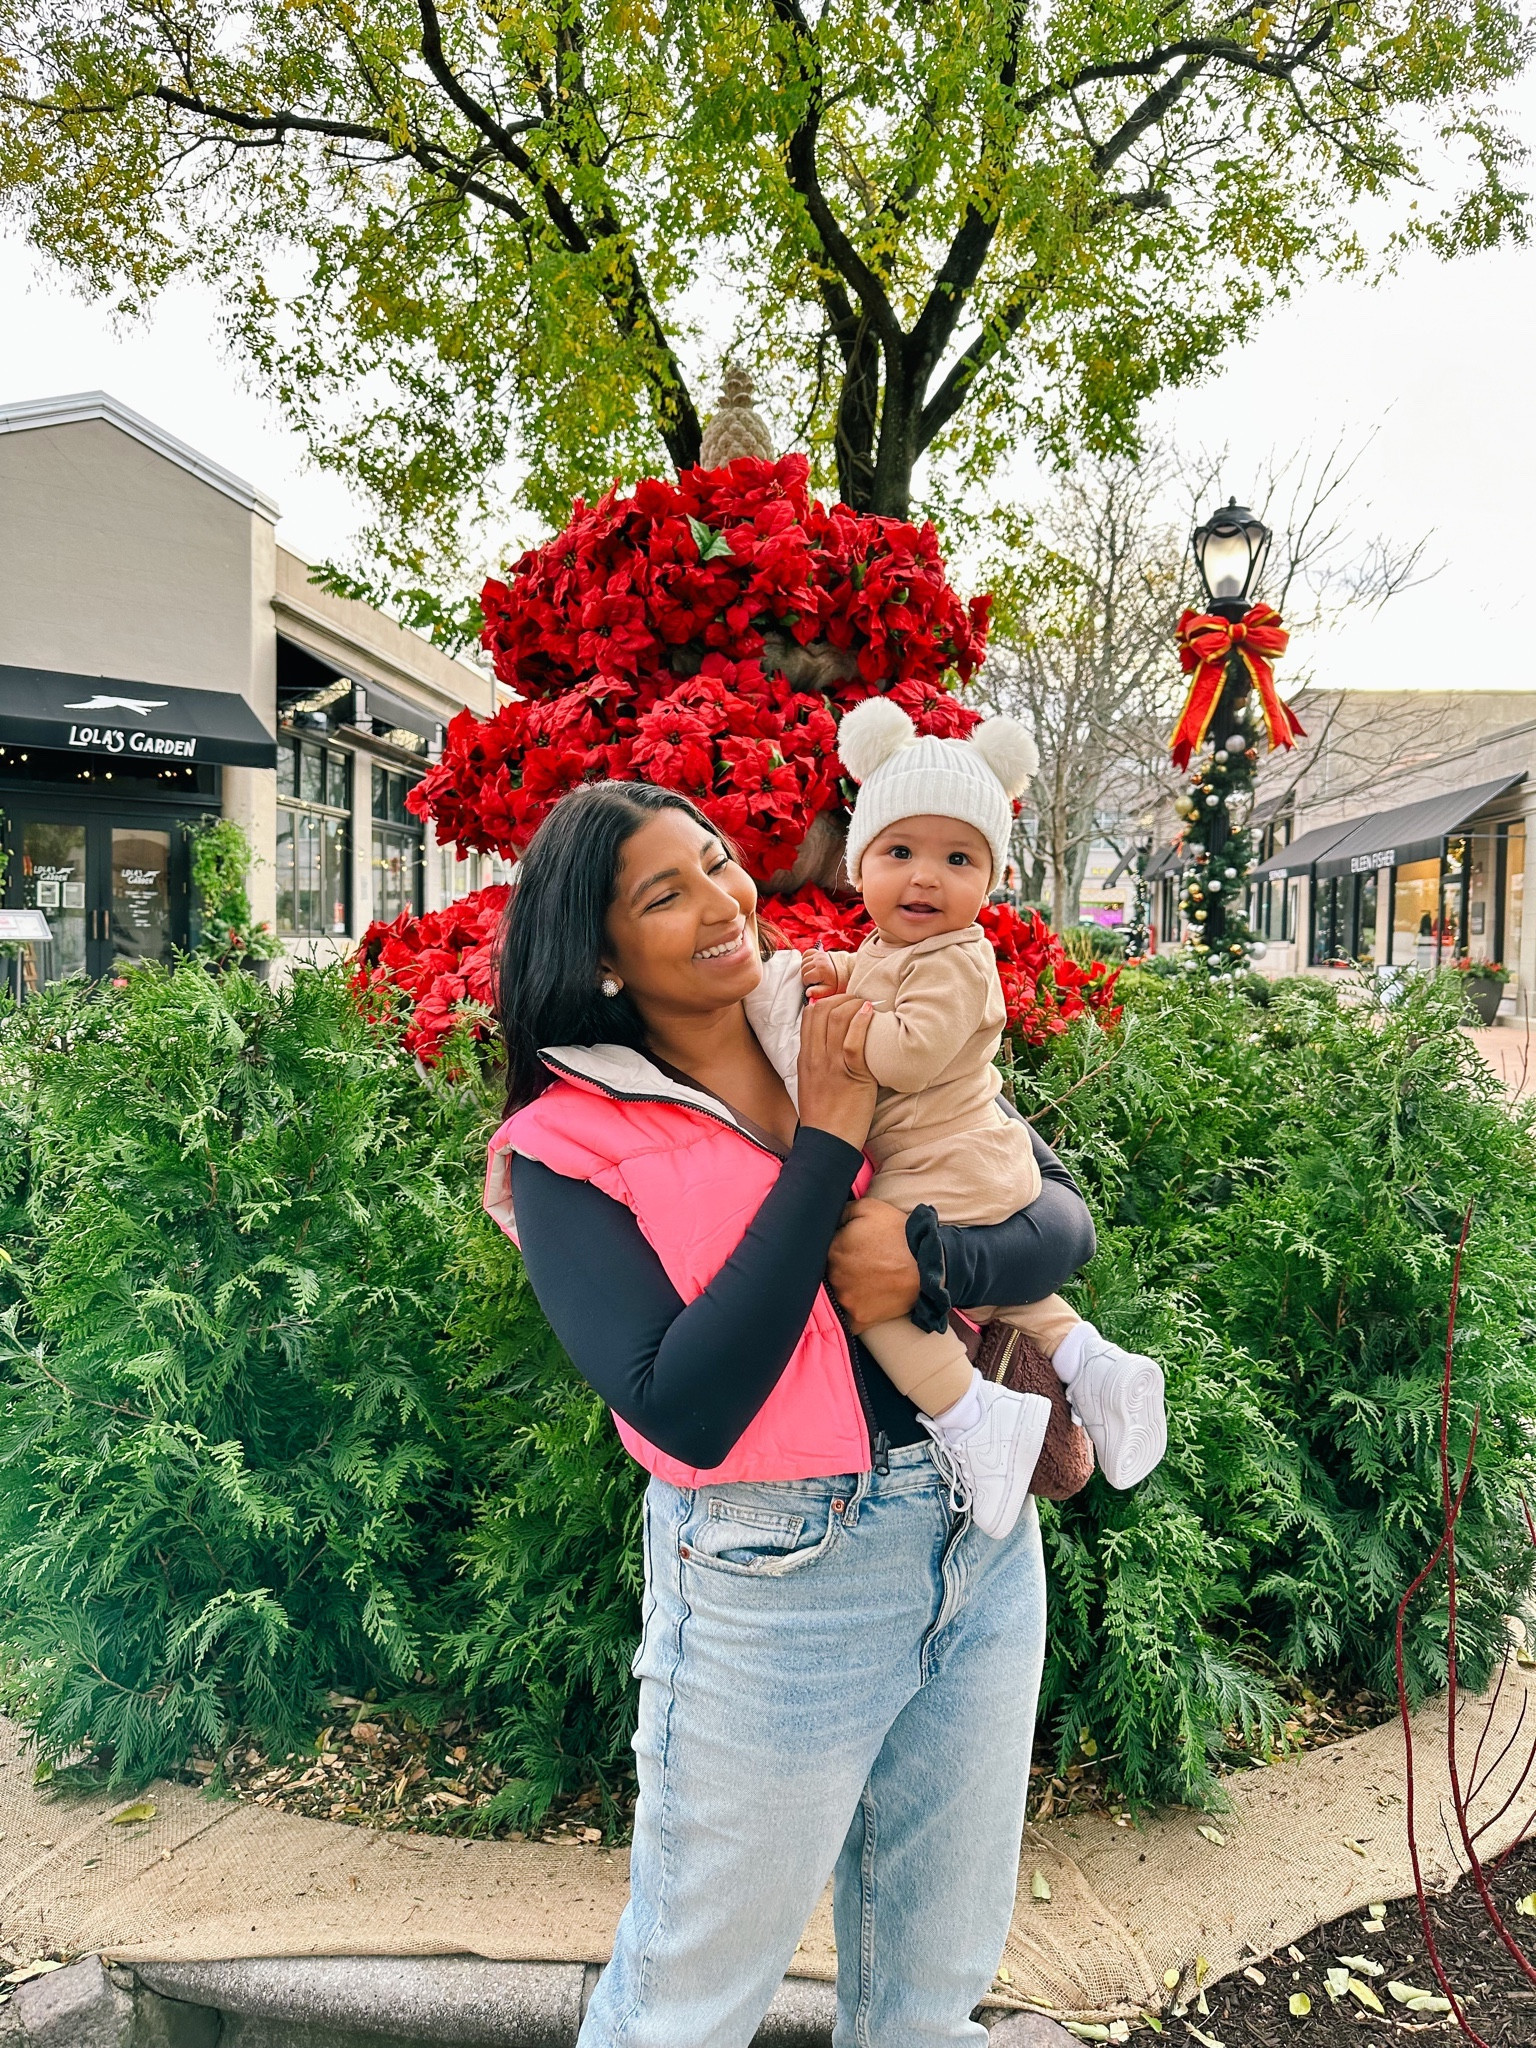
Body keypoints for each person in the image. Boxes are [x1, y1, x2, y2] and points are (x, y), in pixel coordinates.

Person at [484, 780, 1099, 2048]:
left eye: (719, 862)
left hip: (976, 1529)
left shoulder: (837, 1012)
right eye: (668, 892)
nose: (723, 901)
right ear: (599, 956)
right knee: (687, 2002)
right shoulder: (565, 1144)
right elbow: (684, 1403)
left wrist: (933, 1264)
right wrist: (826, 1147)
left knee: (933, 1990)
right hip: (779, 1576)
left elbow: (1055, 1214)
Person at [784, 698, 1168, 1542]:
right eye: (900, 851)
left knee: (871, 1292)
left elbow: (909, 1052)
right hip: (977, 1158)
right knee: (1023, 1300)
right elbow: (877, 975)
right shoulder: (894, 952)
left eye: (957, 858)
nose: (924, 876)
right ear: (860, 866)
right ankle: (1091, 1364)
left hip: (944, 1160)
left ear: (986, 882)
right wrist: (835, 967)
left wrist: (845, 1026)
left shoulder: (960, 957)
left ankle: (971, 1419)